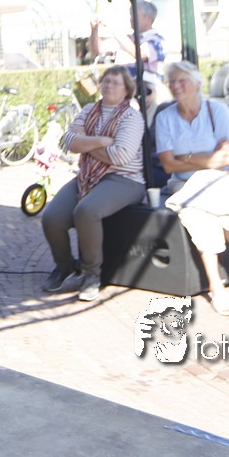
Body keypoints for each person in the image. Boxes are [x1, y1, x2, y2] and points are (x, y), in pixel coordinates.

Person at [155, 61, 229, 316]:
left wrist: (187, 158)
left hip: (217, 179)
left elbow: (228, 157)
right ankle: (217, 287)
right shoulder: (164, 118)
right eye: (172, 82)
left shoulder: (217, 111)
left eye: (182, 81)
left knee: (228, 210)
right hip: (185, 183)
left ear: (198, 83)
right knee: (199, 214)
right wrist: (208, 159)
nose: (176, 86)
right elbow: (168, 165)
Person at [40, 65, 145, 303]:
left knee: (86, 210)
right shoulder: (89, 109)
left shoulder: (131, 117)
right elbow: (67, 141)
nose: (109, 86)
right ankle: (65, 266)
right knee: (52, 217)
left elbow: (120, 156)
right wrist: (103, 141)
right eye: (106, 81)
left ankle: (91, 274)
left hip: (124, 179)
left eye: (115, 82)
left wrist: (85, 144)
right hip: (87, 176)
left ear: (127, 89)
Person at [88, 0, 166, 77]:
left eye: (135, 15)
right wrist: (94, 29)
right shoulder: (128, 38)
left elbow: (140, 55)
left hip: (144, 83)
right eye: (131, 15)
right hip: (122, 82)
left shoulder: (157, 41)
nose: (131, 19)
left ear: (149, 18)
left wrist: (114, 30)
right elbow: (97, 50)